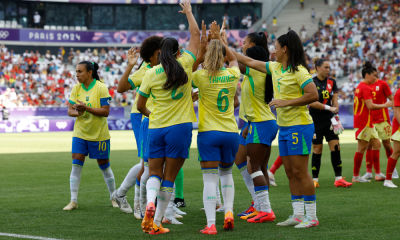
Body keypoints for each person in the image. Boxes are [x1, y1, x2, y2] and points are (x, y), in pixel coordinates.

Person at [229, 30, 320, 228]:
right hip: (285, 126)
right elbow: (248, 60)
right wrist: (221, 43)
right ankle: (297, 214)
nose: (273, 51)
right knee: (289, 171)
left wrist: (286, 102)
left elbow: (313, 95)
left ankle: (311, 217)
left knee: (300, 171)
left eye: (276, 48)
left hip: (300, 126)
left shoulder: (300, 71)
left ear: (285, 49)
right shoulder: (275, 68)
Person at [137, 0, 200, 235]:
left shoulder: (151, 73)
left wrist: (152, 116)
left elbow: (140, 104)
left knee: (154, 172)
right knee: (169, 177)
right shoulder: (185, 63)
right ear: (177, 52)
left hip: (156, 127)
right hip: (180, 127)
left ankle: (149, 203)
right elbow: (196, 34)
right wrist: (189, 12)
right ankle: (157, 221)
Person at [191, 22, 239, 234]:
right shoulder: (231, 76)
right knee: (227, 175)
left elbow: (190, 70)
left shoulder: (201, 77)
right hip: (230, 132)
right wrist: (220, 41)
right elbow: (235, 59)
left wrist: (201, 52)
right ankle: (228, 211)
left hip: (209, 133)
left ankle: (211, 224)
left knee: (209, 178)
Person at [113, 35, 163, 219]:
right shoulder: (147, 69)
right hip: (142, 115)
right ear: (151, 55)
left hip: (156, 117)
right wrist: (130, 66)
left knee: (152, 162)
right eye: (161, 51)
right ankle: (137, 204)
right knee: (146, 162)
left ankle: (123, 195)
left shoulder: (165, 66)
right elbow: (121, 87)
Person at [231, 32, 275, 221]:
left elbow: (234, 61)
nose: (242, 46)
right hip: (255, 122)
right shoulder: (259, 71)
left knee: (254, 166)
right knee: (244, 160)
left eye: (245, 43)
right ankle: (258, 204)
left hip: (261, 123)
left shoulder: (255, 70)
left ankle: (265, 209)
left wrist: (220, 42)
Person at [63, 61, 116, 211]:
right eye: (76, 71)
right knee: (76, 162)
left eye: (80, 71)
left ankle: (114, 196)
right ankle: (73, 201)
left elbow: (105, 112)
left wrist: (86, 108)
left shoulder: (101, 87)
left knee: (104, 166)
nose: (77, 74)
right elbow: (70, 111)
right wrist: (79, 112)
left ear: (89, 72)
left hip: (99, 134)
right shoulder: (76, 88)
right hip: (80, 132)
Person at [308, 57, 353, 188]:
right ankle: (314, 180)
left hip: (329, 120)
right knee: (317, 149)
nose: (328, 70)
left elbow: (334, 100)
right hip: (315, 120)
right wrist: (329, 107)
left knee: (336, 146)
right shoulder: (311, 81)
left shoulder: (332, 82)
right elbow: (311, 102)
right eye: (326, 67)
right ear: (318, 68)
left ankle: (338, 178)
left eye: (329, 67)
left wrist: (336, 114)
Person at [352, 62, 392, 183]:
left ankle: (378, 173)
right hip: (364, 122)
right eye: (374, 75)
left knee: (377, 145)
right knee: (362, 148)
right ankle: (356, 176)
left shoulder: (360, 86)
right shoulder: (365, 87)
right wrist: (385, 105)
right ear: (367, 75)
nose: (376, 78)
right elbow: (370, 106)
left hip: (368, 122)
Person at [362, 76, 398, 181]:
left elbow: (392, 100)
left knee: (387, 145)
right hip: (370, 120)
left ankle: (393, 169)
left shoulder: (382, 84)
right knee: (368, 145)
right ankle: (369, 172)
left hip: (383, 120)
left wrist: (396, 114)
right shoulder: (365, 85)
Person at [385, 88, 400, 188]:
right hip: (399, 126)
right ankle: (388, 180)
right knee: (397, 152)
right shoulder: (399, 92)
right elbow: (397, 112)